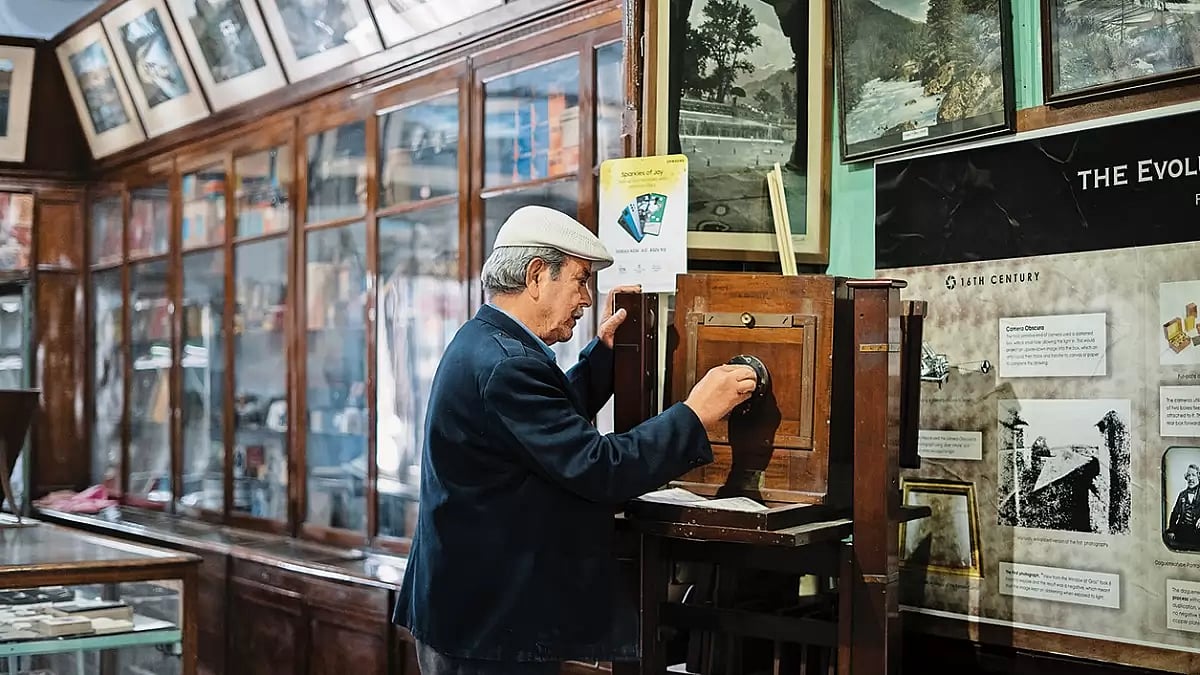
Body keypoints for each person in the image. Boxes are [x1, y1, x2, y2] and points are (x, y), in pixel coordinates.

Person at [392, 205, 757, 674]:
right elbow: (599, 468)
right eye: (580, 280)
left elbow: (541, 427)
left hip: (471, 610)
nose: (586, 299)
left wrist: (604, 356)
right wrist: (695, 413)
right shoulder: (508, 364)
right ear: (537, 276)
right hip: (487, 625)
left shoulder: (487, 340)